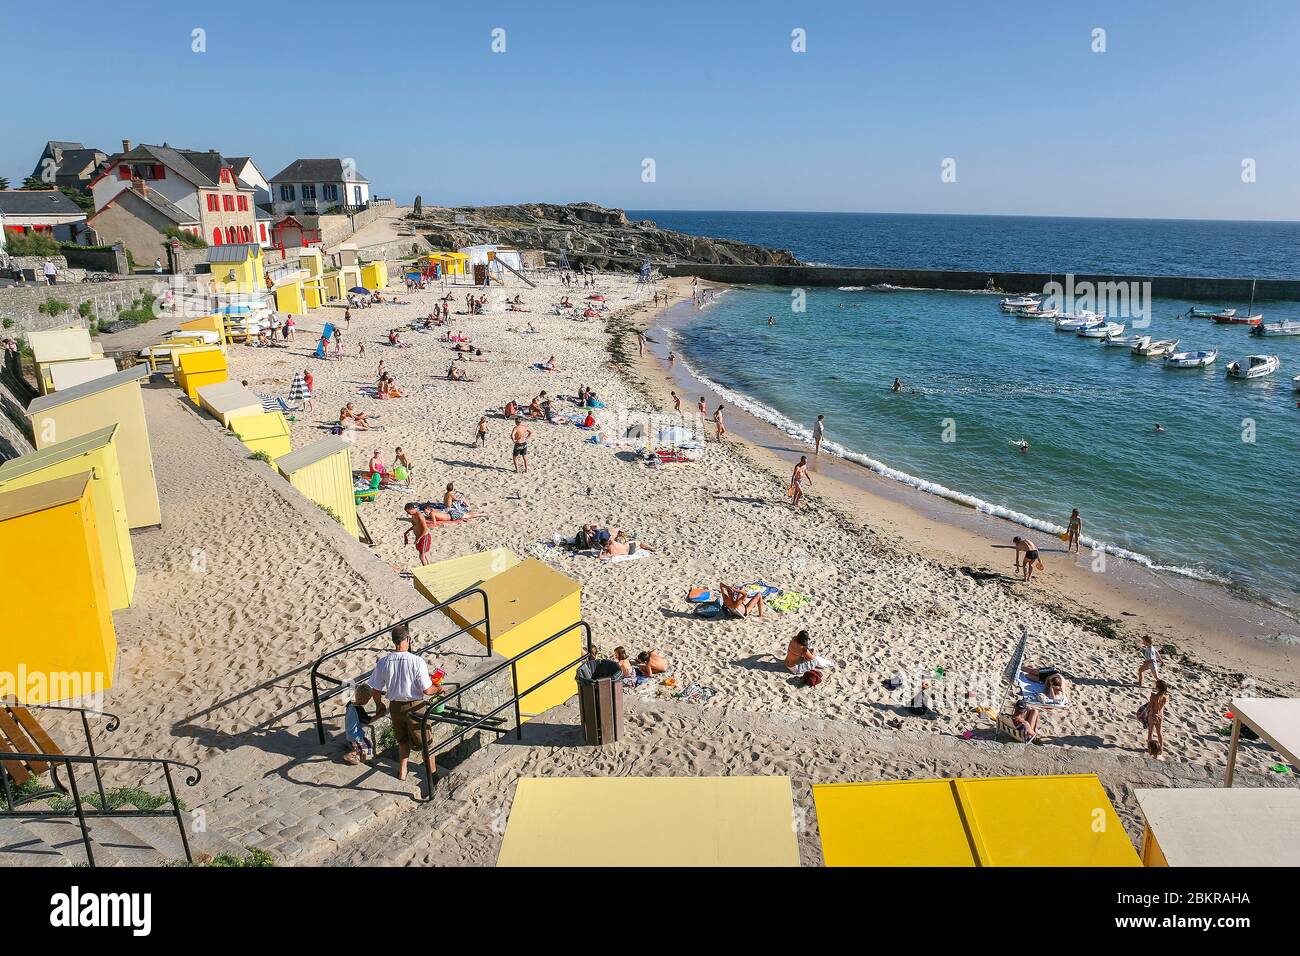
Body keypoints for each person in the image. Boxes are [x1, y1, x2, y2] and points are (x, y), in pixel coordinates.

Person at [367, 624, 445, 781]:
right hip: (415, 706)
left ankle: (402, 772)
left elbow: (375, 690)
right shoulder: (417, 661)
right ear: (408, 639)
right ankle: (433, 776)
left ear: (393, 641)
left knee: (402, 741)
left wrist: (379, 705)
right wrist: (439, 688)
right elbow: (427, 691)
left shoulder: (383, 662)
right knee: (426, 742)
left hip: (395, 707)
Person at [342, 684, 376, 765]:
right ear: (364, 700)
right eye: (368, 699)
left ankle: (363, 761)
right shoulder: (359, 709)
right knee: (366, 747)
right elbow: (368, 720)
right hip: (355, 735)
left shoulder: (350, 703)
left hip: (350, 731)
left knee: (363, 748)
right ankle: (350, 755)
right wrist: (379, 715)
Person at [1144, 680, 1168, 758]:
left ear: (1157, 687)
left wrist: (1150, 699)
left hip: (1153, 715)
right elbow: (1161, 707)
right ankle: (1161, 748)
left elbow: (1150, 706)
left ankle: (1150, 748)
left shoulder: (1154, 696)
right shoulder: (1165, 697)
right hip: (1160, 715)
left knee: (1150, 732)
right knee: (1159, 732)